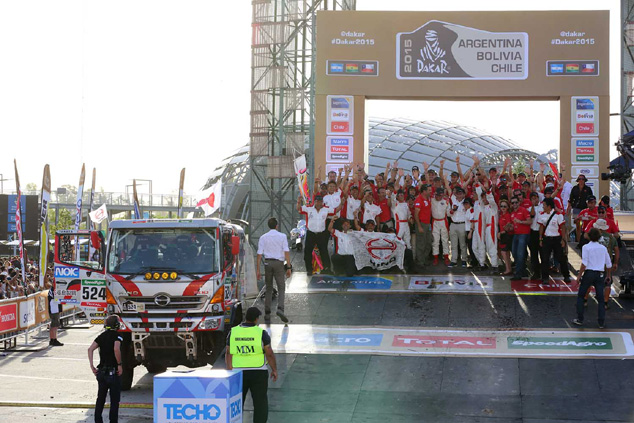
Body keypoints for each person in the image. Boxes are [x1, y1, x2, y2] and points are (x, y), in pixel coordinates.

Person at [226, 307, 278, 423]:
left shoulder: (233, 332)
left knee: (237, 403)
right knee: (260, 403)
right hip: (258, 372)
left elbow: (228, 352)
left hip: (238, 372)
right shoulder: (261, 333)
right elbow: (269, 353)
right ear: (256, 319)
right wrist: (274, 369)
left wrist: (230, 370)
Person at [573, 228, 612, 329]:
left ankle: (580, 319)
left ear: (589, 236)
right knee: (601, 299)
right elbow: (608, 264)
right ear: (599, 237)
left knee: (581, 296)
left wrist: (579, 276)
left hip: (589, 273)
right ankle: (601, 322)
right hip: (600, 274)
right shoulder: (603, 248)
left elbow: (584, 263)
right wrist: (608, 275)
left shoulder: (586, 247)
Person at [88, 315, 123, 423]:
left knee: (100, 399)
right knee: (114, 400)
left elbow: (90, 349)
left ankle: (98, 420)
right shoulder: (118, 336)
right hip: (113, 372)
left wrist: (92, 366)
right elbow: (116, 349)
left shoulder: (101, 336)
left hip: (102, 372)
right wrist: (119, 364)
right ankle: (113, 421)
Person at [256, 217, 291, 323]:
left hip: (267, 263)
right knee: (281, 287)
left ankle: (267, 312)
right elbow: (286, 252)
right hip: (279, 263)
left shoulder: (263, 237)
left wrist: (258, 270)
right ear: (277, 226)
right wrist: (288, 267)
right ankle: (280, 309)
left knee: (269, 287)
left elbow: (259, 254)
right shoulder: (282, 236)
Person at [297, 195, 340, 275]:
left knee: (324, 251)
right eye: (317, 201)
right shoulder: (309, 208)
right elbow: (299, 209)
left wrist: (342, 203)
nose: (318, 203)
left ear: (322, 202)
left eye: (320, 201)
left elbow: (335, 210)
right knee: (307, 252)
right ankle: (309, 269)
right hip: (311, 233)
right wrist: (299, 201)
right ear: (315, 202)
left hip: (321, 234)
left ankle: (327, 268)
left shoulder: (326, 209)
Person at [539, 198, 571, 284]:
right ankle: (545, 277)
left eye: (544, 205)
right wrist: (540, 239)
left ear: (549, 206)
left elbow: (563, 227)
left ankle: (566, 276)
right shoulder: (542, 215)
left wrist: (563, 239)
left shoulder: (558, 215)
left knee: (561, 258)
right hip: (547, 239)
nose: (543, 206)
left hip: (557, 239)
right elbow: (541, 227)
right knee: (545, 259)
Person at [510, 196, 532, 280]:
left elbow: (530, 221)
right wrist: (509, 227)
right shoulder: (512, 213)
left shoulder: (523, 210)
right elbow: (513, 225)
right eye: (513, 203)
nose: (514, 204)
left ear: (519, 203)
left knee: (520, 254)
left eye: (516, 202)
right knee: (514, 253)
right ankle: (523, 271)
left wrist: (521, 222)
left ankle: (519, 273)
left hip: (524, 234)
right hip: (516, 234)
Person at [569, 175, 593, 241]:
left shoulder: (588, 189)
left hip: (585, 209)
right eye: (580, 179)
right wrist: (569, 207)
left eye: (582, 179)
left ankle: (586, 239)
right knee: (577, 224)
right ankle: (578, 240)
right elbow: (571, 199)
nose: (581, 180)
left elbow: (591, 199)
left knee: (586, 224)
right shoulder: (574, 188)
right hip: (576, 208)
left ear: (585, 180)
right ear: (578, 180)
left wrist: (590, 207)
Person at [414, 184, 432, 270]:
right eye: (429, 190)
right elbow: (416, 214)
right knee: (421, 243)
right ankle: (420, 262)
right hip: (421, 224)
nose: (430, 191)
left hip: (428, 224)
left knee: (428, 242)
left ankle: (424, 259)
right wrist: (419, 226)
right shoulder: (419, 199)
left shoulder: (428, 198)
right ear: (424, 191)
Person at [448, 187, 468, 267]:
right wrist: (452, 211)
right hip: (453, 224)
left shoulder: (466, 202)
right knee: (453, 244)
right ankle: (453, 260)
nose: (459, 195)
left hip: (462, 224)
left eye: (461, 193)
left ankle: (464, 260)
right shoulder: (453, 201)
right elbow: (449, 213)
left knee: (463, 244)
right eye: (458, 193)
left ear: (464, 194)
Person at [431, 187, 450, 266]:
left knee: (445, 240)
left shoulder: (446, 201)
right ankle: (435, 257)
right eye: (437, 195)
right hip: (435, 222)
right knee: (435, 240)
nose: (438, 197)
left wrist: (452, 211)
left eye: (440, 195)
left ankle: (446, 256)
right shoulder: (432, 200)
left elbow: (449, 213)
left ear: (442, 195)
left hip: (443, 221)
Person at [46, 273, 63, 347]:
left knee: (55, 325)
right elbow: (55, 299)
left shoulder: (56, 290)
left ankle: (54, 339)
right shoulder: (51, 290)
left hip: (56, 309)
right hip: (53, 309)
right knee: (54, 325)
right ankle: (52, 339)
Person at [498, 199, 513, 275]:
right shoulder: (501, 215)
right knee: (506, 253)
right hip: (503, 235)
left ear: (508, 207)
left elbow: (509, 225)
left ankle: (508, 269)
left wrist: (501, 232)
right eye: (501, 206)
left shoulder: (507, 215)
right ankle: (508, 269)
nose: (503, 208)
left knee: (504, 252)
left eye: (504, 206)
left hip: (507, 235)